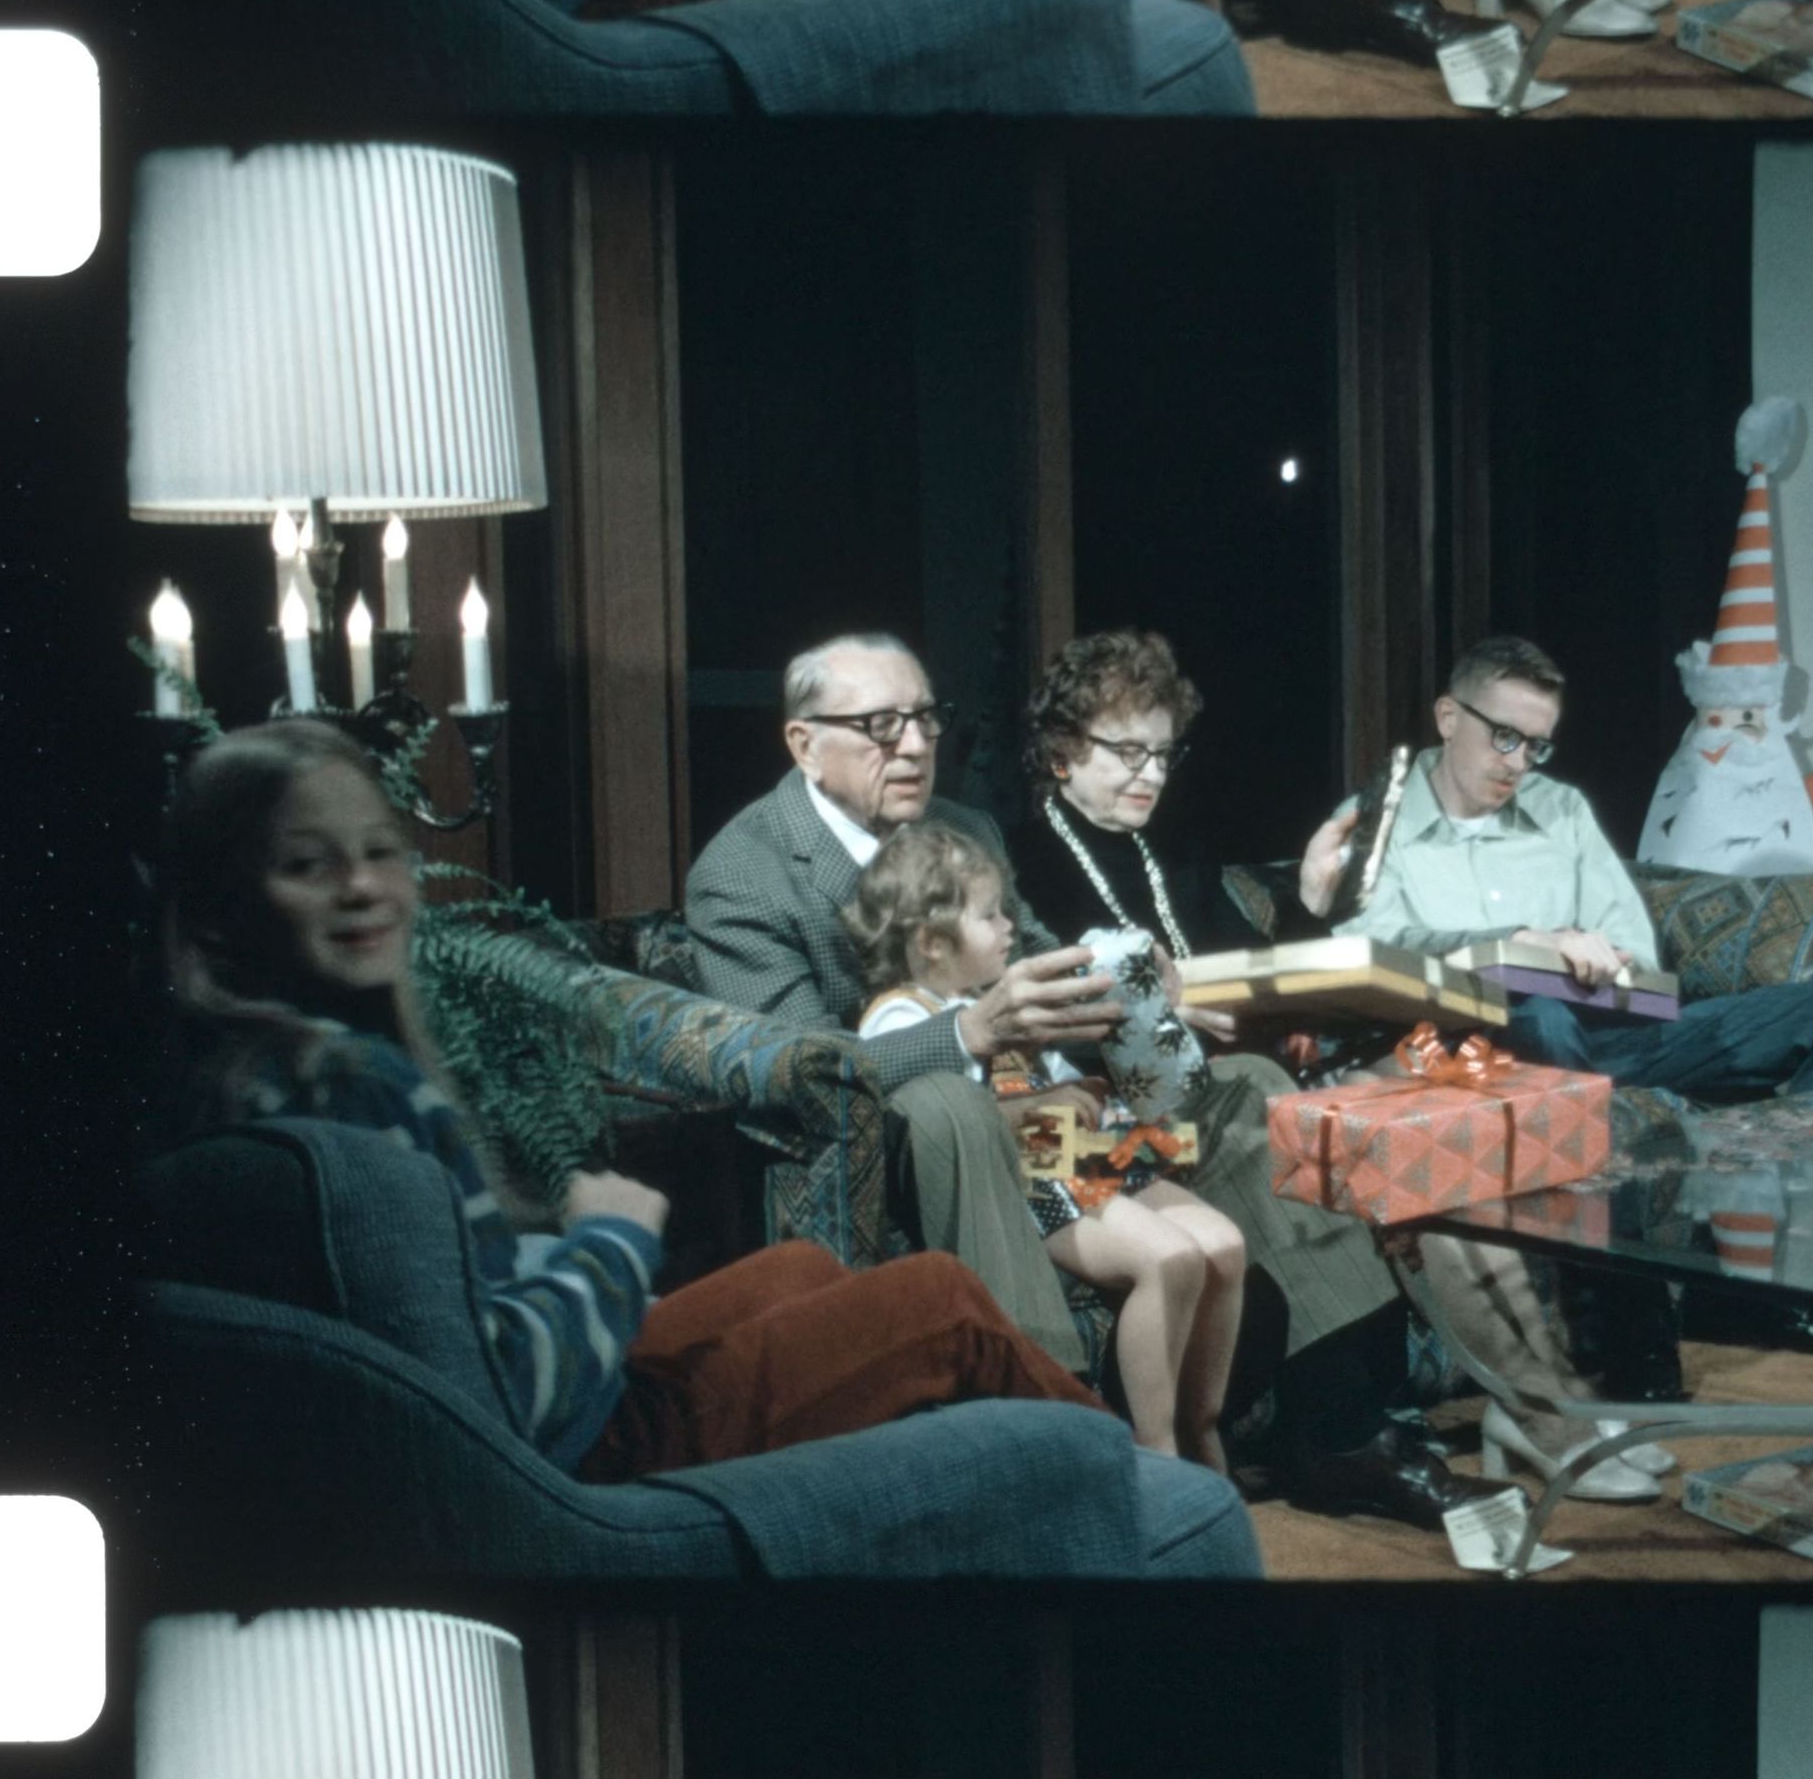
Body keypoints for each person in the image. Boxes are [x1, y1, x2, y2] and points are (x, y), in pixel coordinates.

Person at [687, 632, 1512, 1527]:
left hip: (1039, 1109)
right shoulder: (744, 873)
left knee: (1244, 1080)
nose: (917, 745)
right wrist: (968, 1031)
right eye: (883, 726)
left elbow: (1047, 956)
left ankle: (1343, 1432)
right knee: (949, 1103)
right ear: (804, 742)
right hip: (903, 1125)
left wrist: (1136, 989)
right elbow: (797, 1067)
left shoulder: (963, 826)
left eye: (927, 718)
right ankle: (1046, 1426)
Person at [153, 718, 1109, 1484]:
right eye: (308, 865)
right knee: (941, 1301)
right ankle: (1145, 1509)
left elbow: (423, 1303)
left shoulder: (246, 1071)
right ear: (222, 901)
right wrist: (609, 1240)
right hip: (571, 1446)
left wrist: (542, 1257)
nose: (363, 886)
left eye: (378, 851)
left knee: (801, 1270)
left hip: (544, 1384)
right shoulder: (354, 1090)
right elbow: (505, 1396)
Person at [1015, 627, 1668, 1501]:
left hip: (1238, 1084)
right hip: (1126, 1122)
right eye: (1127, 752)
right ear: (1062, 750)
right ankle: (1444, 1427)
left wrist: (1312, 900)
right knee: (1354, 1136)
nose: (1151, 774)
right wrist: (1163, 1007)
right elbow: (1040, 1023)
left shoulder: (1167, 853)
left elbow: (1263, 971)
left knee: (1448, 1126)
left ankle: (1541, 1406)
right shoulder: (1021, 859)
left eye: (1164, 754)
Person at [1332, 633, 1813, 1361]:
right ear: (1449, 717)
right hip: (1477, 1044)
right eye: (1504, 737)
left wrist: (1597, 956)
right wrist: (1517, 940)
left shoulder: (1560, 809)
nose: (1518, 762)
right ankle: (1617, 1317)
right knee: (1539, 1012)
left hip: (1608, 1032)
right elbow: (1369, 949)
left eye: (1536, 745)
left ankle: (1768, 1286)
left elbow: (1636, 948)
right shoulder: (1381, 819)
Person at [844, 821, 1245, 1472]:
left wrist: (1078, 1088)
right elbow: (933, 1115)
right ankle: (1156, 1446)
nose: (1010, 927)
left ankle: (1202, 1422)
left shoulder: (997, 999)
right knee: (1169, 1260)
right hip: (1028, 1179)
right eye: (989, 916)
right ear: (933, 943)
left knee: (1223, 1246)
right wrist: (1030, 1109)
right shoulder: (903, 1014)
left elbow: (1047, 1077)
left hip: (1077, 1153)